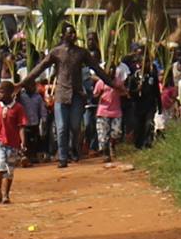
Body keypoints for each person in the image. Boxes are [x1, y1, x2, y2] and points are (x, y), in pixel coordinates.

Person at [21, 23, 117, 168]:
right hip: (61, 94)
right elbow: (39, 67)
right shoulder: (56, 52)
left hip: (77, 95)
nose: (73, 35)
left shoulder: (81, 53)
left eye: (74, 33)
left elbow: (97, 69)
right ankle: (63, 158)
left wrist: (112, 84)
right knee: (61, 127)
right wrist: (22, 83)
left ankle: (74, 150)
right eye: (70, 33)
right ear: (63, 35)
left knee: (74, 126)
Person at [0, 81, 27, 204]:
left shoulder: (18, 108)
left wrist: (23, 142)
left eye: (2, 92)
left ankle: (6, 195)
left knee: (9, 170)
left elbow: (21, 127)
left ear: (10, 93)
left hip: (13, 143)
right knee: (0, 163)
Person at [94, 67, 123, 163]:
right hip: (103, 111)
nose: (111, 71)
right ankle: (106, 154)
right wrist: (100, 93)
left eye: (112, 70)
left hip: (116, 112)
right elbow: (95, 95)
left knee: (116, 133)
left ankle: (112, 145)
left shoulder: (118, 81)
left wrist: (119, 88)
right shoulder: (101, 82)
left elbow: (125, 92)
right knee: (103, 135)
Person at [18, 78, 46, 164]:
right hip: (24, 123)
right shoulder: (21, 97)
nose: (32, 87)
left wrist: (44, 119)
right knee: (25, 141)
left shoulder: (38, 97)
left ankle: (33, 156)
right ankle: (25, 156)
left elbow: (42, 109)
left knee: (34, 140)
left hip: (34, 122)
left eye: (33, 85)